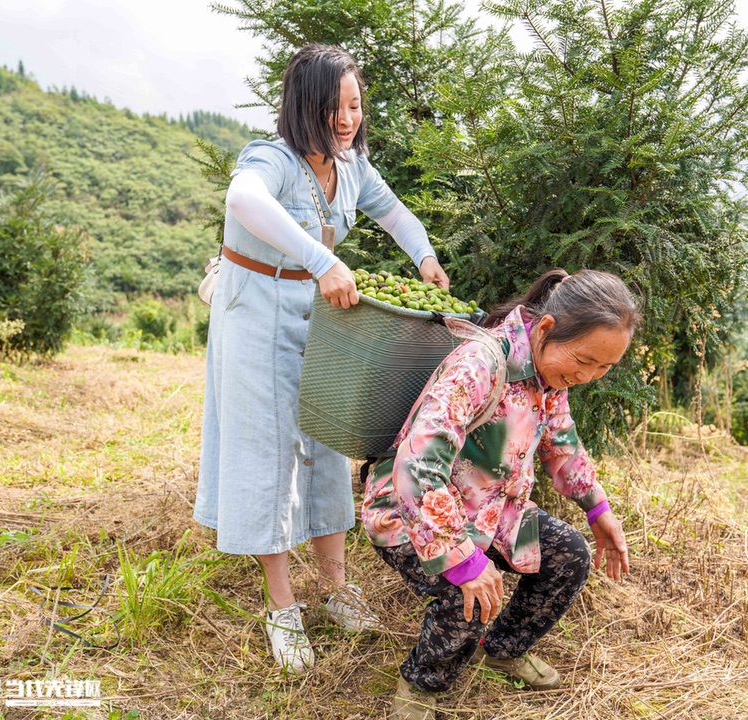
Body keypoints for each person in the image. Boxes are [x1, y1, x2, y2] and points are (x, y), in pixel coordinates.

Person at [193, 44, 450, 674]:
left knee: (327, 436)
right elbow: (244, 203)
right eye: (334, 107)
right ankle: (283, 608)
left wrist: (424, 256)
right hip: (254, 309)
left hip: (318, 315)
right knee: (268, 449)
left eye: (356, 105)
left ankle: (336, 587)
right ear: (303, 107)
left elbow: (393, 212)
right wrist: (323, 260)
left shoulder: (351, 164)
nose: (347, 118)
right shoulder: (271, 159)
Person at [361, 268, 640, 719]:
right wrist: (462, 558)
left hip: (488, 507)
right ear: (546, 329)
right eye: (585, 360)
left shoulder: (551, 376)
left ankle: (505, 649)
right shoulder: (481, 364)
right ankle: (420, 687)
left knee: (568, 554)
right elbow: (418, 464)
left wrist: (598, 508)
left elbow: (560, 441)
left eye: (604, 368)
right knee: (467, 597)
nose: (590, 376)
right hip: (410, 511)